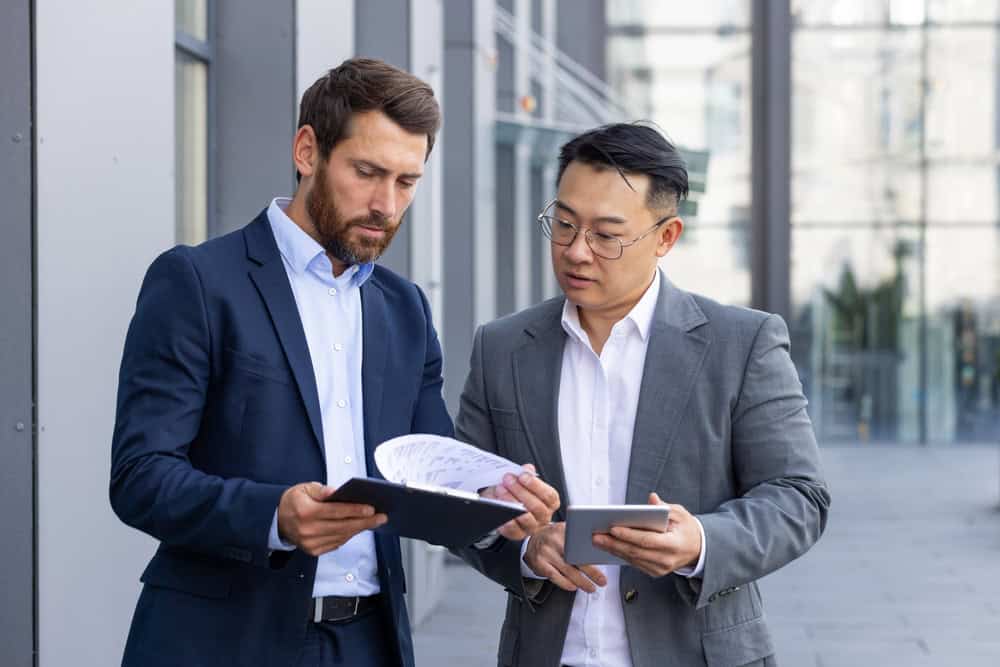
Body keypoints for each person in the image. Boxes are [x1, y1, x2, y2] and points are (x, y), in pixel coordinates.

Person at [110, 57, 557, 667]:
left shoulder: (404, 309)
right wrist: (273, 516)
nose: (385, 204)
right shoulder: (197, 282)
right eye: (367, 172)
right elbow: (140, 476)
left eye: (407, 181)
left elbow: (426, 470)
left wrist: (492, 496)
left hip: (369, 642)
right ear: (306, 150)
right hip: (221, 640)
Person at [456, 123, 831, 667]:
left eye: (607, 235)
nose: (576, 251)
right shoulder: (503, 347)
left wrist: (702, 542)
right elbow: (459, 498)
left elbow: (800, 497)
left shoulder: (741, 343)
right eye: (562, 224)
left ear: (666, 236)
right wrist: (526, 551)